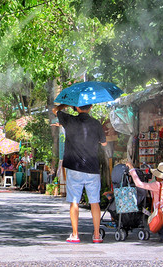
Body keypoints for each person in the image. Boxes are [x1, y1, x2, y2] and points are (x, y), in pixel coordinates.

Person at [52, 103, 107, 243]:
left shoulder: (69, 120)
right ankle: (96, 235)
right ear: (91, 107)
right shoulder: (96, 123)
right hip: (92, 168)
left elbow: (55, 110)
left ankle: (75, 234)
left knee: (74, 201)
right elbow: (104, 143)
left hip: (74, 167)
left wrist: (66, 104)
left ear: (76, 108)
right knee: (95, 202)